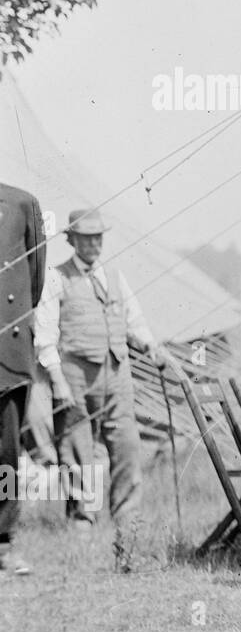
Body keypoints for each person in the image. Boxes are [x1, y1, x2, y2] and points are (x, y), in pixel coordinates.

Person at [32, 210, 171, 569]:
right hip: (76, 376)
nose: (93, 244)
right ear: (72, 240)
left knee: (126, 448)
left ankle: (128, 530)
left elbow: (134, 321)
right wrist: (58, 380)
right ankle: (82, 526)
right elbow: (45, 335)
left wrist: (151, 346)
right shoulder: (56, 278)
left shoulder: (114, 277)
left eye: (98, 238)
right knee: (78, 452)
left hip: (117, 374)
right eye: (86, 238)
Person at [0, 182, 46, 576]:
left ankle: (4, 544)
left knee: (7, 455)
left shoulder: (20, 203)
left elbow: (35, 280)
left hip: (8, 355)